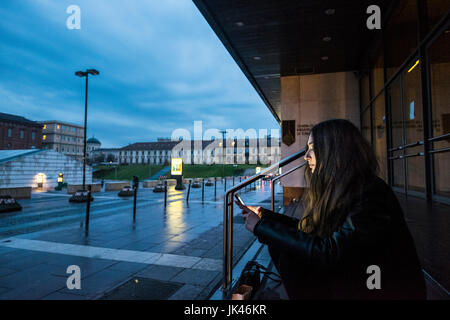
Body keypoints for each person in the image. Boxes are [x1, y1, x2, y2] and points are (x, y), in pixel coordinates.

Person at [237, 119, 426, 300]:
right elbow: (313, 232)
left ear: (335, 151)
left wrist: (262, 227)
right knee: (282, 245)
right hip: (364, 277)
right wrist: (265, 217)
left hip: (383, 288)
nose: (306, 156)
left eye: (313, 148)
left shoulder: (370, 194)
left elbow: (331, 251)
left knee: (289, 254)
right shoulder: (349, 187)